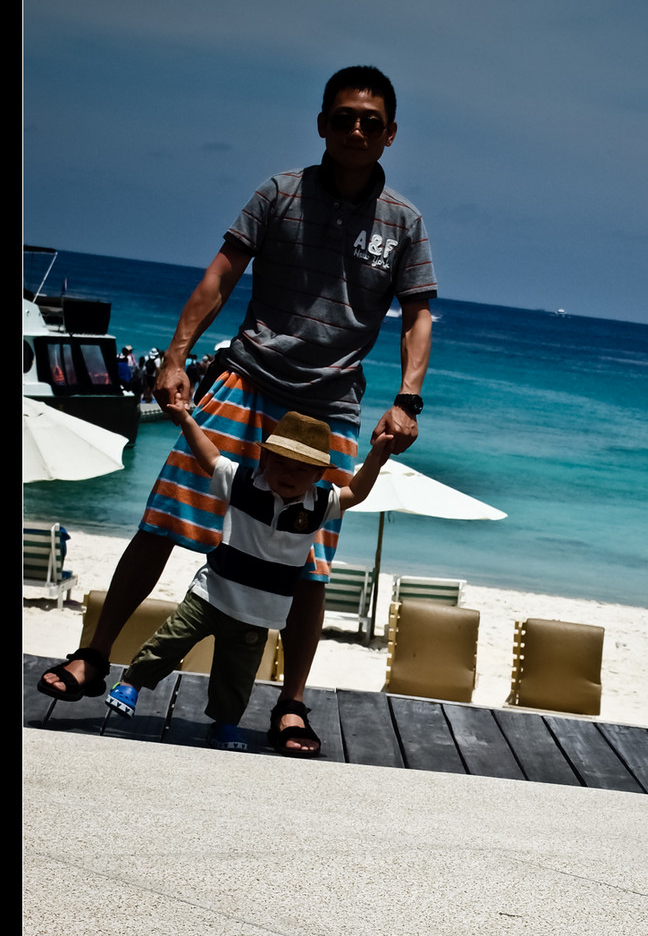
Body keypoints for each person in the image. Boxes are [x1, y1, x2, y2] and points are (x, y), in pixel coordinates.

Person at [38, 65, 435, 755]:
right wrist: (175, 356)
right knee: (162, 520)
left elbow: (417, 314)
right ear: (322, 124)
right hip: (245, 380)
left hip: (330, 407)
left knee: (310, 563)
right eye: (344, 117)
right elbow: (222, 274)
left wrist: (407, 399)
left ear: (390, 134)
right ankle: (94, 656)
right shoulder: (278, 193)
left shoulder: (404, 222)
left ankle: (292, 703)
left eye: (370, 121)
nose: (356, 129)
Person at [101, 408, 393, 753]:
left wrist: (376, 456)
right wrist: (187, 420)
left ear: (318, 475)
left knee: (237, 677)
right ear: (265, 459)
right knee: (168, 643)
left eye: (302, 469)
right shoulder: (242, 482)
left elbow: (356, 492)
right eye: (281, 463)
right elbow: (210, 457)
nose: (289, 474)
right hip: (209, 596)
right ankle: (131, 683)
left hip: (257, 615)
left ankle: (225, 723)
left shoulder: (320, 504)